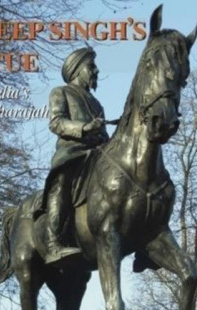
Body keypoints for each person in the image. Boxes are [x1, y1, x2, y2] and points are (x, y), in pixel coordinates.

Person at [44, 47, 111, 265]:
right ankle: (53, 243)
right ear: (76, 70)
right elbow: (56, 123)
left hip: (98, 155)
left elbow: (104, 135)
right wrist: (84, 128)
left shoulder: (97, 103)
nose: (96, 70)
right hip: (72, 153)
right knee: (62, 182)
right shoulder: (60, 92)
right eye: (91, 66)